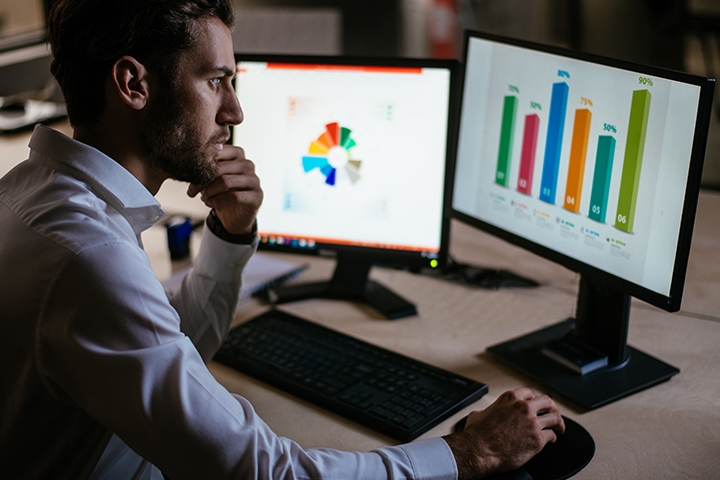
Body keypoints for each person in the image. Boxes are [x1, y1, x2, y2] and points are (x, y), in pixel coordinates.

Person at [0, 0, 565, 478]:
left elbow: (166, 353)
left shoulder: (28, 192)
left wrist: (230, 230)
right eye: (216, 80)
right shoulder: (90, 258)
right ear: (133, 84)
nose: (236, 110)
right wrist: (468, 452)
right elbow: (264, 471)